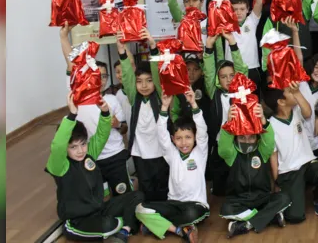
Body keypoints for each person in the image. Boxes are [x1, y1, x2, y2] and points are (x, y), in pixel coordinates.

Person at [46, 93, 144, 242]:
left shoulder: (88, 155)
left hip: (99, 210)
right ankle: (126, 224)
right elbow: (58, 145)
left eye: (83, 144)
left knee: (137, 196)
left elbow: (101, 135)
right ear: (65, 148)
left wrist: (105, 112)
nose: (80, 150)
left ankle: (123, 229)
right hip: (78, 220)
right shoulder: (59, 166)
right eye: (73, 147)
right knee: (107, 224)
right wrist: (72, 115)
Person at [59, 25, 132, 198]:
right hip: (89, 157)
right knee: (95, 197)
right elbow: (72, 64)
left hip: (115, 156)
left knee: (123, 195)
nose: (100, 79)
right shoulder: (79, 96)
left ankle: (127, 223)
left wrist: (117, 124)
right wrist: (63, 37)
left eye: (104, 76)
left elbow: (124, 129)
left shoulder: (112, 100)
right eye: (96, 75)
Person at [135, 92, 210, 242]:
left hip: (195, 205)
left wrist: (194, 104)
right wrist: (164, 107)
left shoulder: (200, 153)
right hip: (172, 204)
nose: (184, 143)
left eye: (188, 137)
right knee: (140, 209)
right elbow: (161, 133)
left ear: (195, 138)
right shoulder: (171, 153)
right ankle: (180, 230)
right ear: (173, 140)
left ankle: (157, 225)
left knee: (190, 214)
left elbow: (202, 129)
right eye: (179, 138)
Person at [220, 104, 291, 238]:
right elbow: (223, 147)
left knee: (284, 197)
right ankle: (269, 218)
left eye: (251, 138)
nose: (247, 141)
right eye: (242, 138)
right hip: (239, 200)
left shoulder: (263, 151)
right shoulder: (231, 154)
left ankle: (246, 224)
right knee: (226, 209)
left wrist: (263, 121)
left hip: (262, 199)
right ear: (235, 138)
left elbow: (269, 142)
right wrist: (229, 123)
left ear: (257, 138)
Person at [117, 29, 172, 202]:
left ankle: (163, 212)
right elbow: (127, 77)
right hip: (140, 152)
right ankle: (149, 215)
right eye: (139, 81)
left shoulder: (159, 95)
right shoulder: (134, 97)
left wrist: (153, 46)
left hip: (160, 151)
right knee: (146, 185)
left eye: (148, 81)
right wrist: (121, 50)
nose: (144, 85)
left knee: (162, 185)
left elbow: (157, 74)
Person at [267, 81, 318, 221]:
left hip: (307, 163)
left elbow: (308, 112)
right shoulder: (270, 126)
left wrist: (296, 92)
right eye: (289, 92)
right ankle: (290, 194)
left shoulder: (296, 111)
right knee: (295, 217)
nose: (294, 94)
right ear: (281, 102)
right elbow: (273, 158)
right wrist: (275, 184)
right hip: (289, 172)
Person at [202, 32, 248, 196]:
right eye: (223, 77)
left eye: (231, 75)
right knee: (221, 190)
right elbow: (208, 71)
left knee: (239, 183)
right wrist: (208, 47)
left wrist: (232, 43)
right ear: (218, 79)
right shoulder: (215, 93)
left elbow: (241, 68)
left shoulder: (242, 91)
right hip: (221, 143)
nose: (228, 80)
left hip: (239, 144)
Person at [224, 0, 264, 94]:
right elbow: (221, 1)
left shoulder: (251, 21)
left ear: (248, 9)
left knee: (253, 103)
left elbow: (259, 2)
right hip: (231, 69)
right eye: (235, 9)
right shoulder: (226, 22)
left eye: (242, 9)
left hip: (251, 68)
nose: (238, 12)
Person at [299, 53, 318, 156]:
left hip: (311, 136)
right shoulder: (302, 83)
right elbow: (299, 59)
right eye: (316, 67)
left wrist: (317, 118)